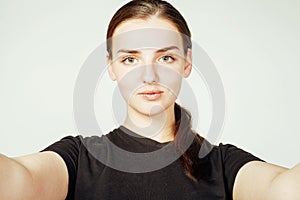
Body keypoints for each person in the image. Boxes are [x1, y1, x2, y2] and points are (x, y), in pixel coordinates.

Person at [0, 0, 299, 199]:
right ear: (112, 67)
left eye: (166, 57)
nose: (149, 76)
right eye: (130, 59)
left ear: (186, 62)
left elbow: (284, 190)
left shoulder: (222, 164)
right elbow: (16, 182)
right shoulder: (80, 158)